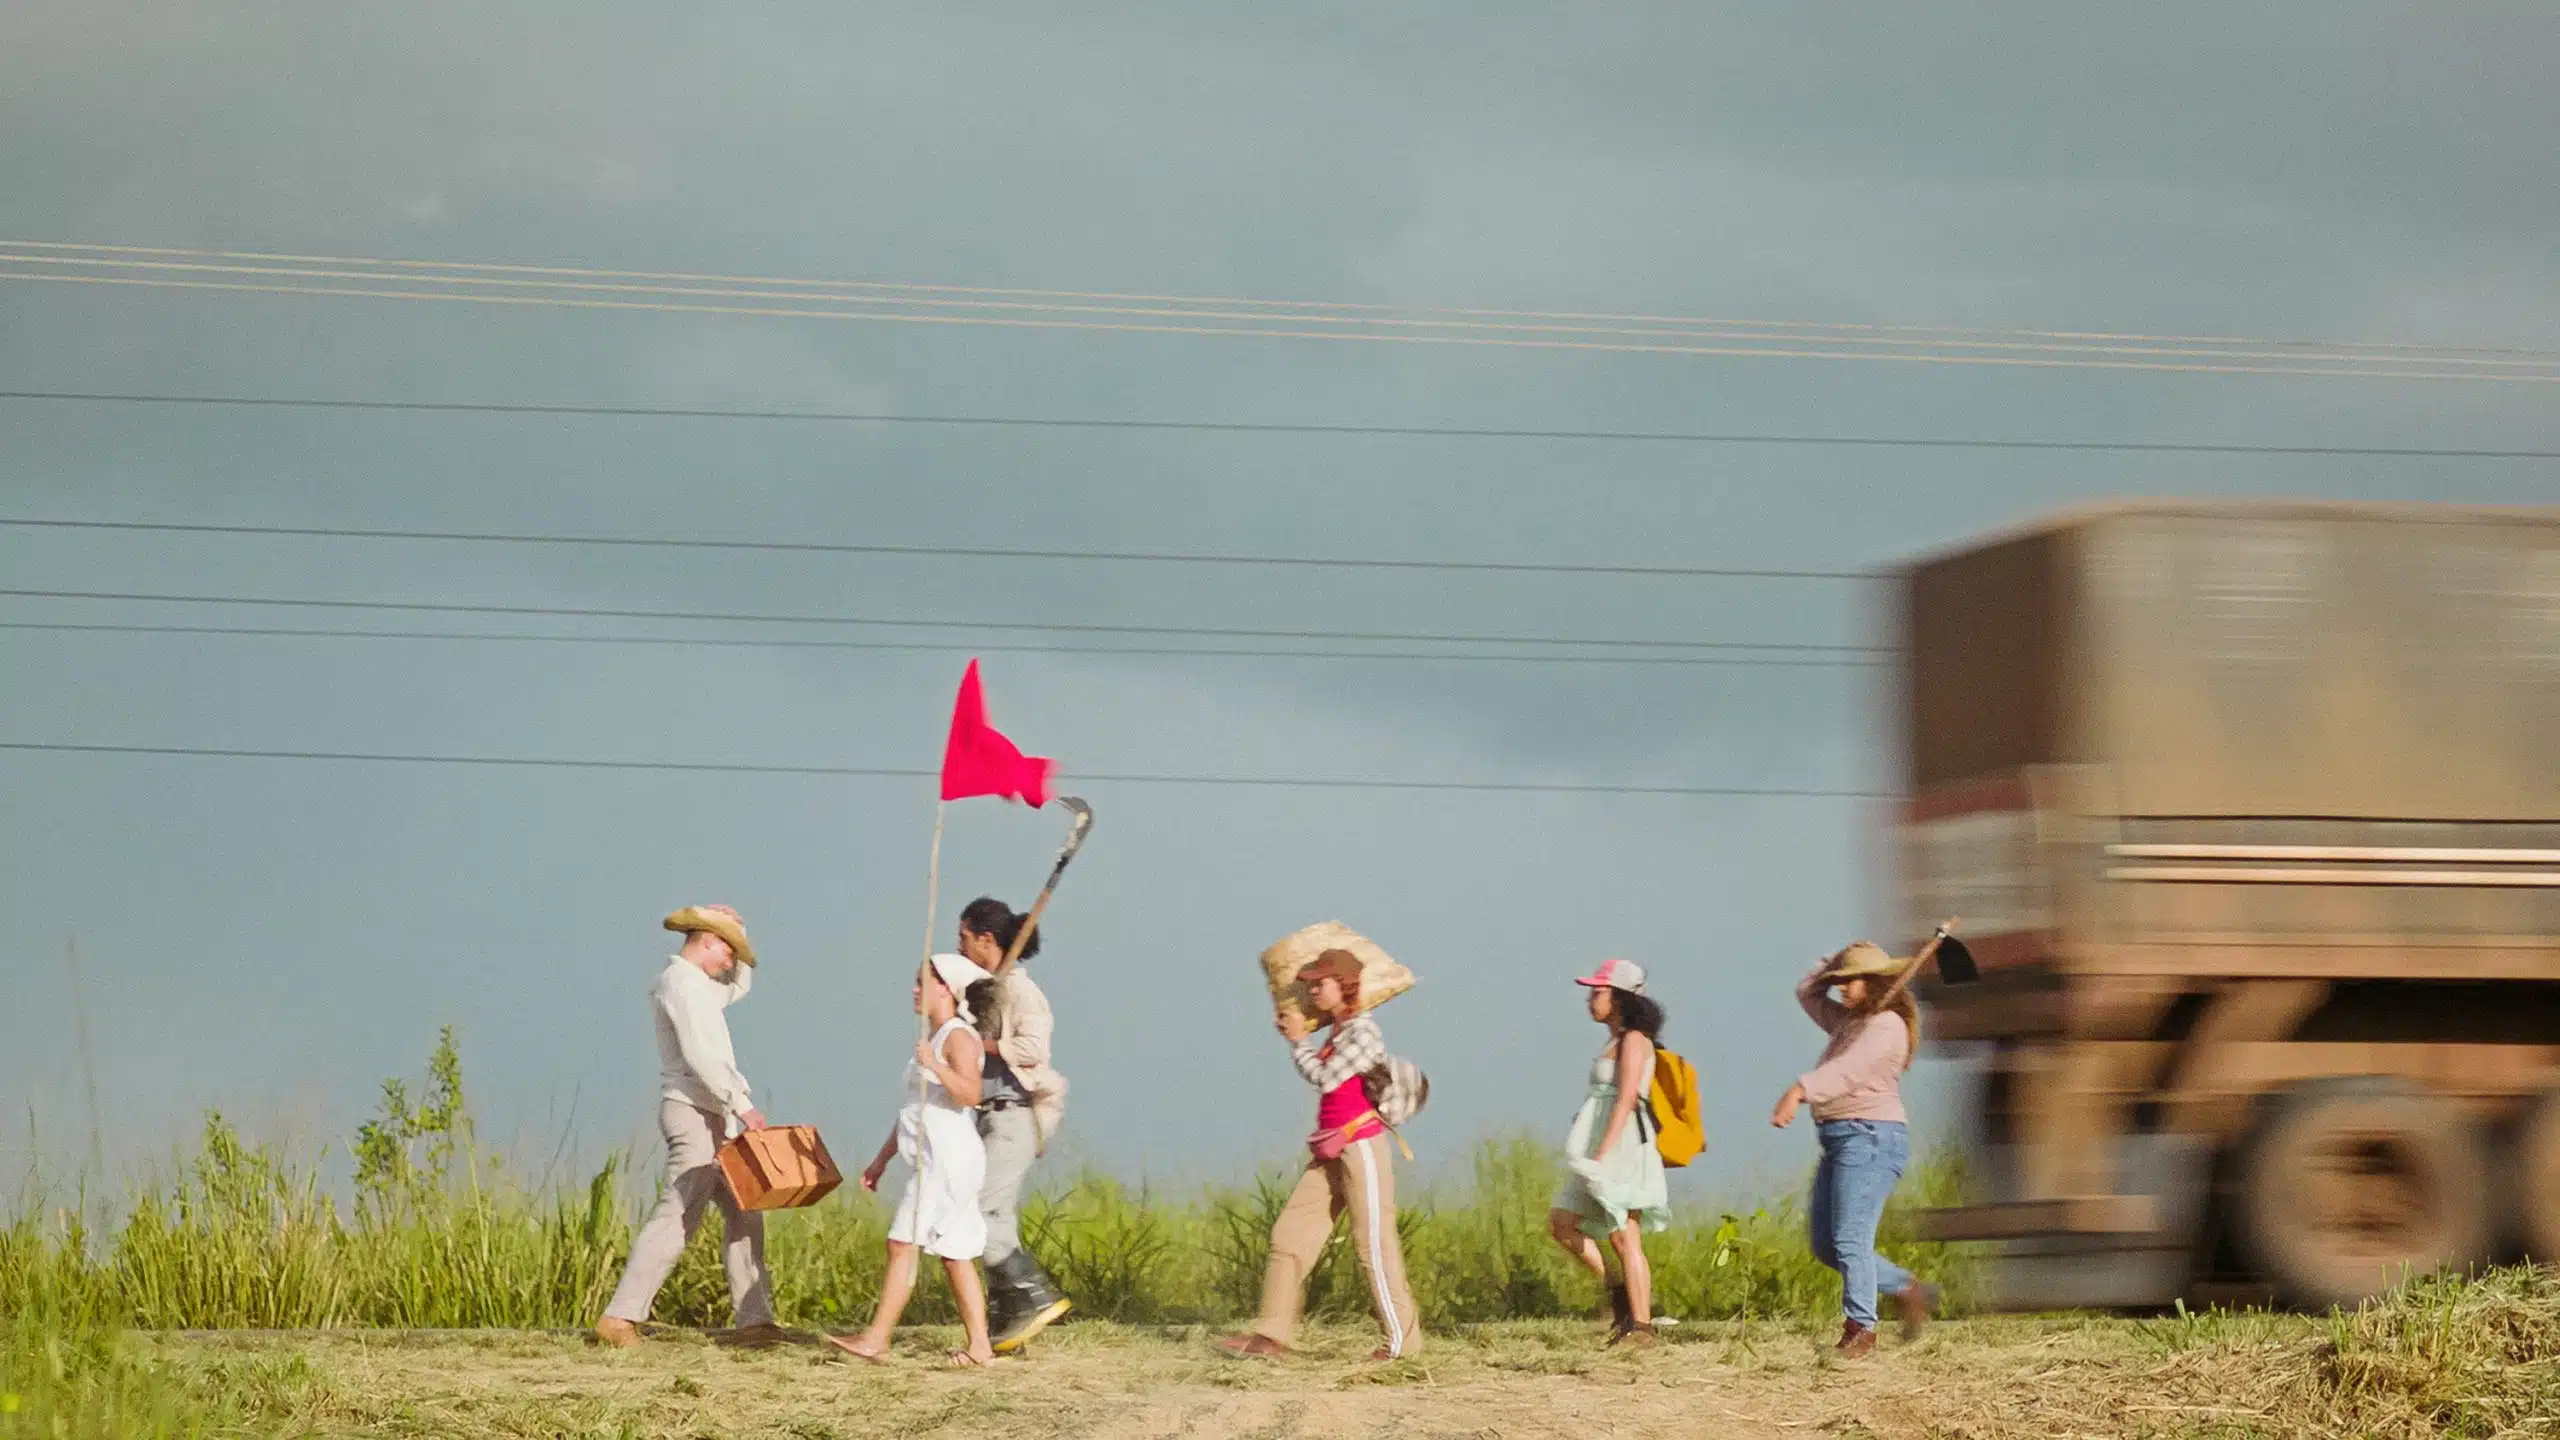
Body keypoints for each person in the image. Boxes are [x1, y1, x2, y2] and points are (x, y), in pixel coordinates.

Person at [1218, 948, 1422, 1362]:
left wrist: (1297, 1043)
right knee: (1290, 1235)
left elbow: (1326, 1079)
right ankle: (1271, 1335)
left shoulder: (1363, 1032)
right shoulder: (1338, 1033)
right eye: (1310, 983)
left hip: (1360, 1146)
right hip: (1333, 1146)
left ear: (1344, 986)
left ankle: (1403, 1342)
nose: (1313, 990)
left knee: (1373, 1245)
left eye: (1321, 983)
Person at [596, 904, 781, 1349]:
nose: (731, 962)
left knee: (744, 1213)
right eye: (728, 950)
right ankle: (620, 1317)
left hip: (714, 1114)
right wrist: (743, 1105)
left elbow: (737, 987)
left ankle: (755, 1322)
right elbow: (699, 1054)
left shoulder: (697, 985)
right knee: (678, 1214)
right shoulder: (679, 983)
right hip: (695, 1113)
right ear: (707, 941)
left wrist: (740, 930)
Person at [827, 951, 1000, 1367]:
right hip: (931, 1158)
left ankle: (877, 1338)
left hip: (949, 1159)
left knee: (904, 1242)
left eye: (922, 983)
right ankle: (980, 1346)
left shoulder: (958, 1037)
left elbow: (970, 1095)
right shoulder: (933, 1039)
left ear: (946, 990)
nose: (914, 990)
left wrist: (936, 1065)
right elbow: (914, 1109)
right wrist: (881, 1160)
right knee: (952, 1252)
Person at [1770, 941, 1940, 1358]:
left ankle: (1860, 1329)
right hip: (1839, 1140)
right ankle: (1908, 1288)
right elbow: (1807, 993)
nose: (1841, 988)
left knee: (1850, 1240)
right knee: (1828, 1246)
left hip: (1870, 1139)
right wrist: (1834, 963)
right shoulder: (1850, 1022)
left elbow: (1846, 1072)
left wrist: (1799, 1090)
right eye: (1840, 982)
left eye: (1850, 981)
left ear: (1875, 981)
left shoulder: (1886, 1028)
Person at [957, 897, 1074, 1353]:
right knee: (997, 1214)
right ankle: (1010, 1320)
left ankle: (1032, 1292)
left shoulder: (1022, 992)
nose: (961, 945)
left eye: (964, 937)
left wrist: (984, 1044)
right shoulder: (991, 989)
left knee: (979, 1213)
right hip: (990, 1114)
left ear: (986, 939)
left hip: (1014, 1115)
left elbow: (1031, 1050)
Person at [1547, 958, 1671, 1347]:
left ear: (1619, 997)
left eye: (1597, 992)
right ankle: (1618, 1292)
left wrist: (1602, 1153)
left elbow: (1626, 1099)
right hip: (1598, 1143)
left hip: (1622, 1146)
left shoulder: (1635, 1040)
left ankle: (1642, 1325)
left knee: (1624, 1234)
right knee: (1562, 1221)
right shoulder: (1614, 1041)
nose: (1590, 999)